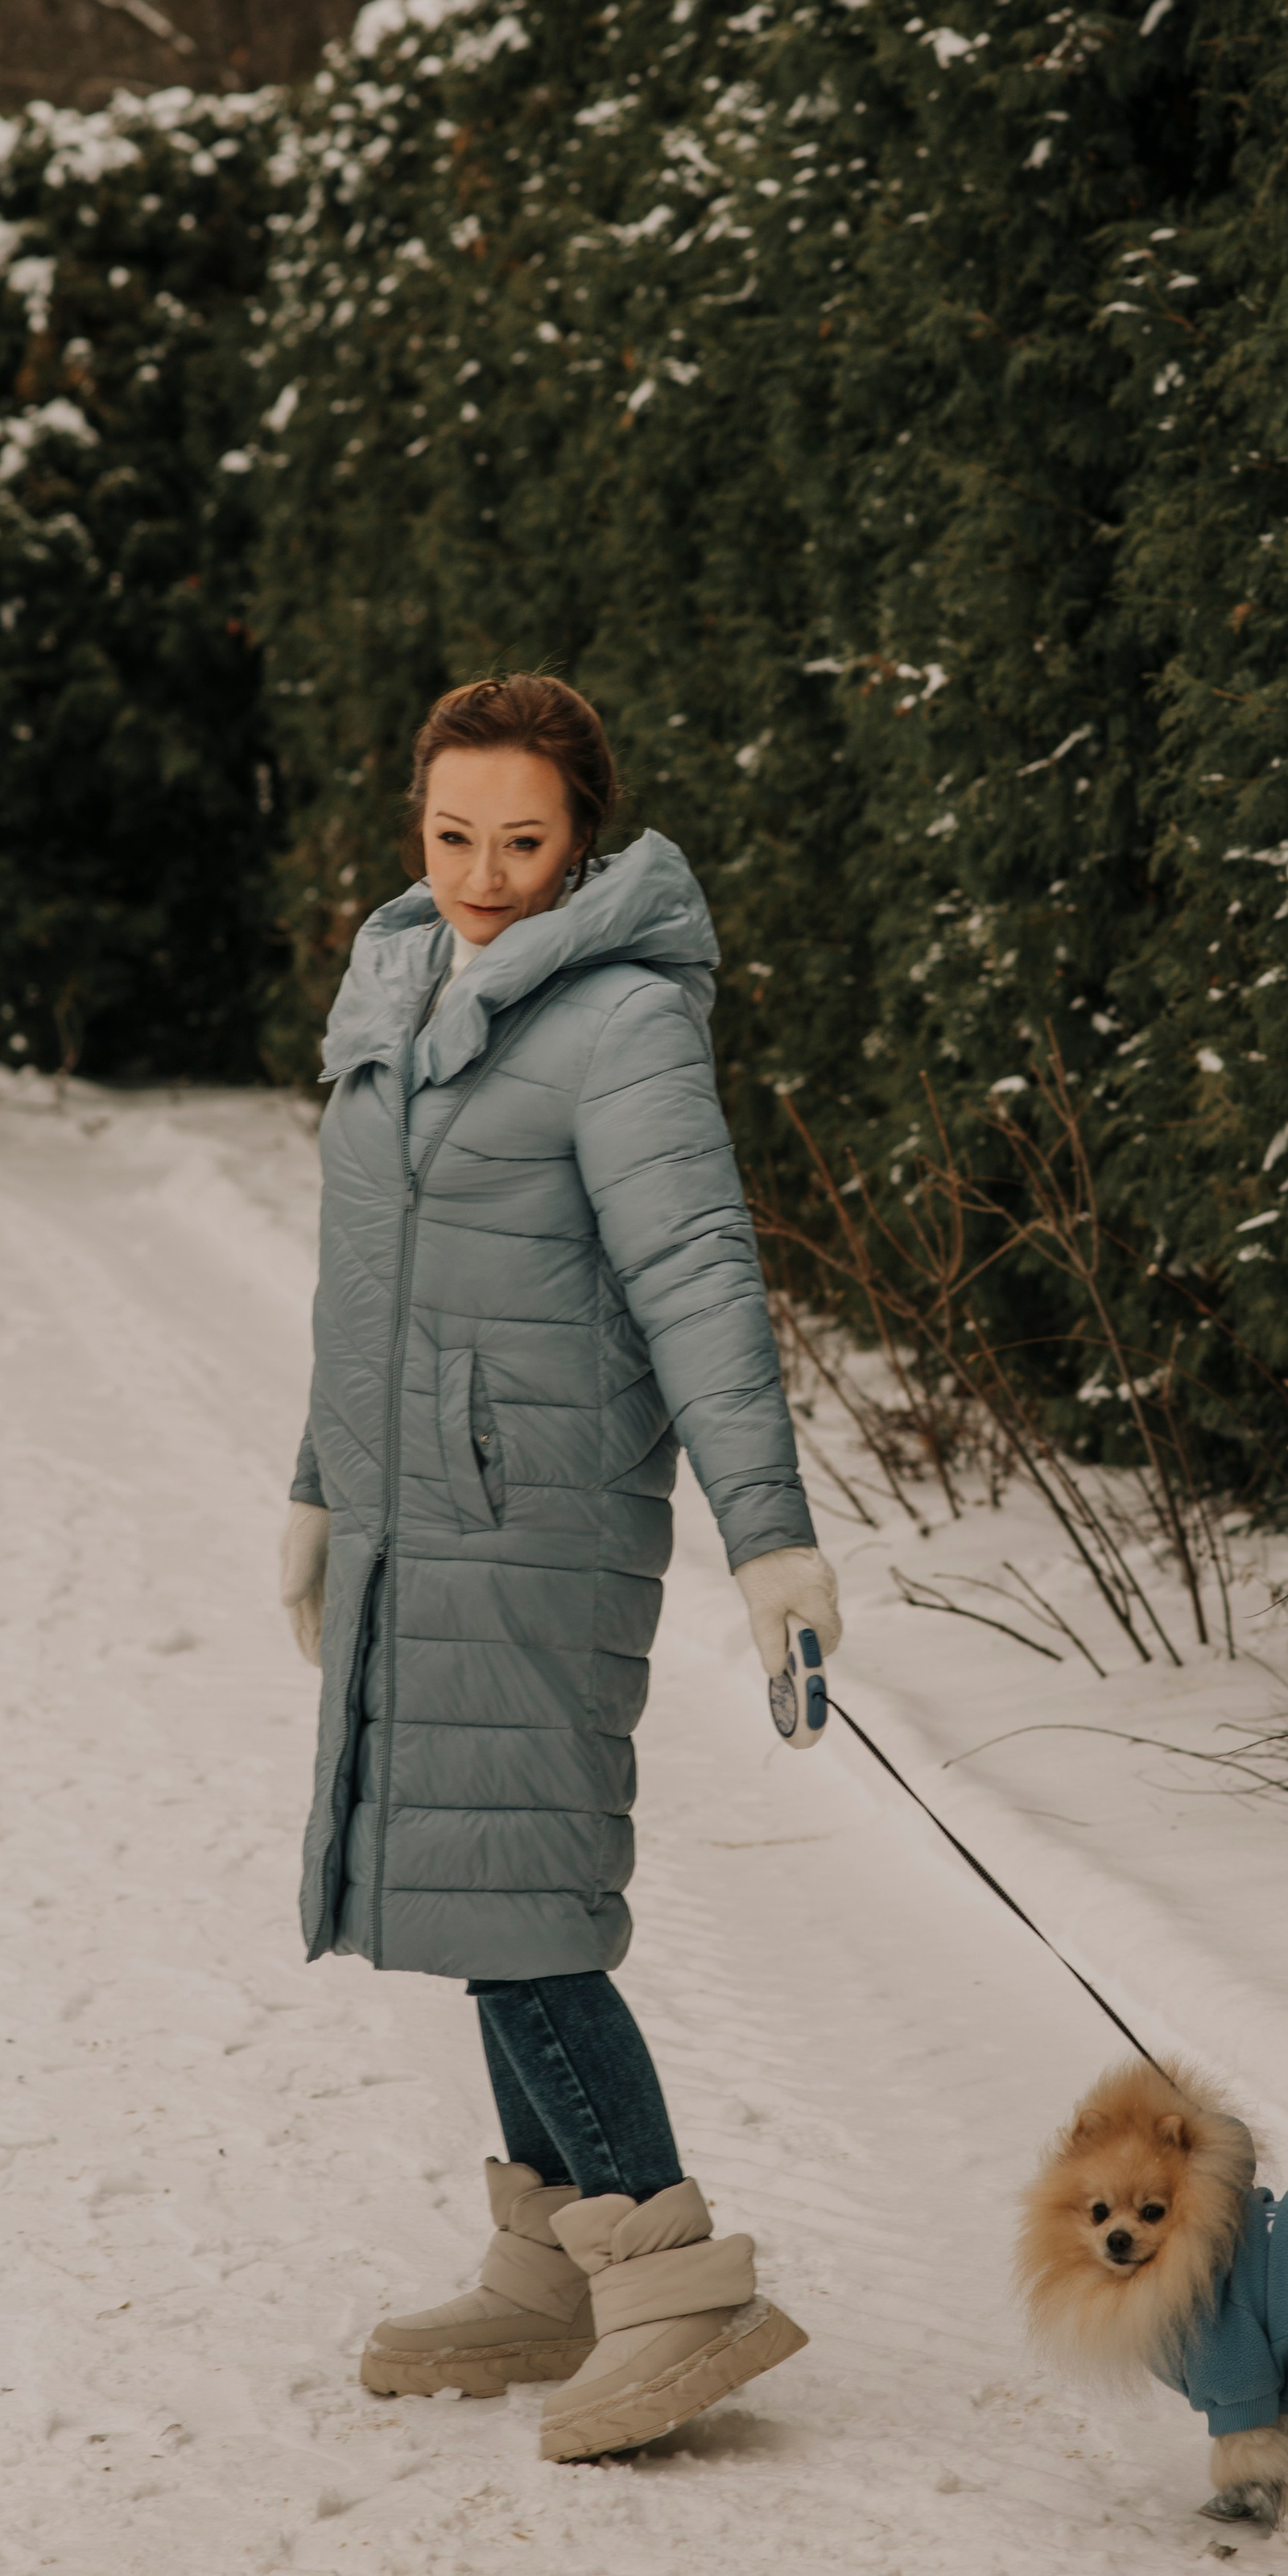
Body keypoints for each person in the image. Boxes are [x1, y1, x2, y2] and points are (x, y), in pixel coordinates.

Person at [279, 672, 841, 2463]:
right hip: (405, 1510)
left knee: (519, 1900)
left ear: (584, 832)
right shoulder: (398, 975)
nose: (486, 874)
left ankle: (672, 2277)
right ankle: (549, 2269)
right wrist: (314, 1486)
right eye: (453, 835)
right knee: (469, 1890)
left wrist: (771, 1539)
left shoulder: (620, 1023)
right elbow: (366, 1273)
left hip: (537, 1517)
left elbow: (695, 1276)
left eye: (524, 839)